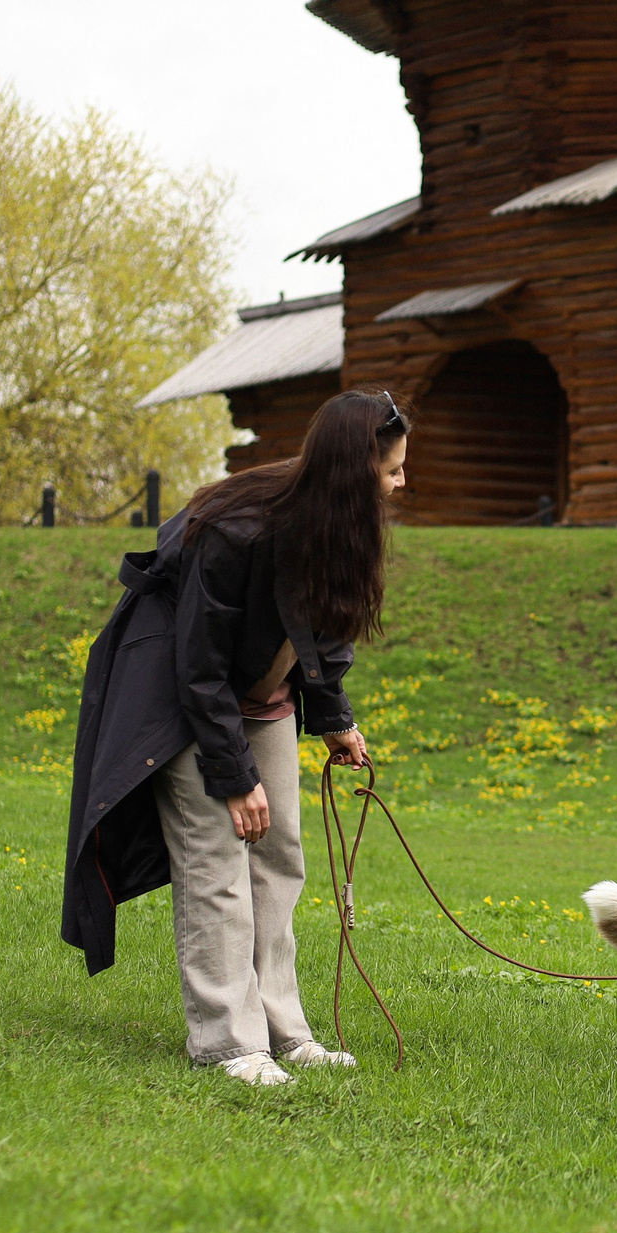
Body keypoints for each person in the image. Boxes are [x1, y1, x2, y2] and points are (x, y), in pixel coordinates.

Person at [62, 391, 407, 1085]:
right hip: (180, 693)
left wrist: (334, 718)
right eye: (393, 469)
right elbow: (198, 666)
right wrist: (234, 776)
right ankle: (227, 1042)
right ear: (354, 469)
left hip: (260, 691)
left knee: (279, 852)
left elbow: (324, 626)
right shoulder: (239, 528)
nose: (402, 482)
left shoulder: (343, 523)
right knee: (217, 852)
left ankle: (284, 1032)